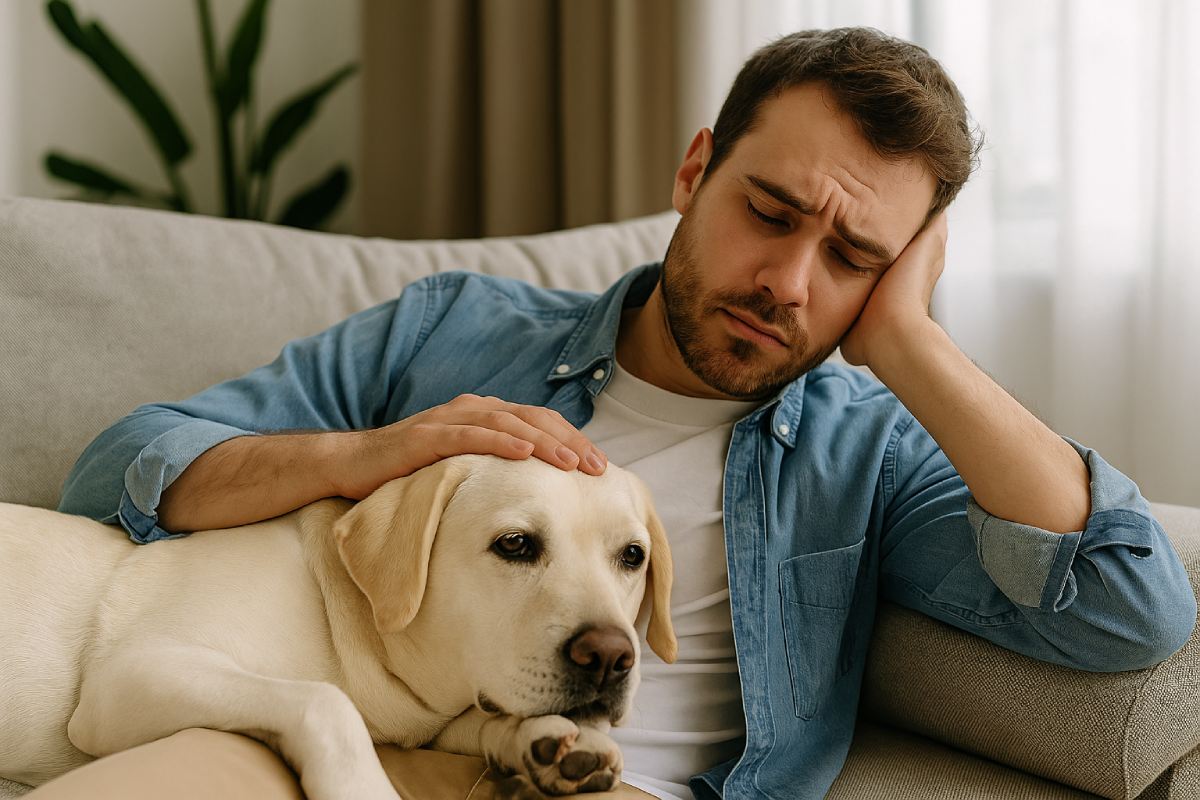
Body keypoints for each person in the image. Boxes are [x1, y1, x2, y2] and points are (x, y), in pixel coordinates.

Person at [49, 26, 1195, 800]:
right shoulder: (457, 331)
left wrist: (909, 341)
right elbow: (127, 468)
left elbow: (1128, 608)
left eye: (850, 256)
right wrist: (366, 454)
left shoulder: (872, 453)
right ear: (696, 168)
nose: (788, 282)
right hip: (358, 758)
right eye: (771, 211)